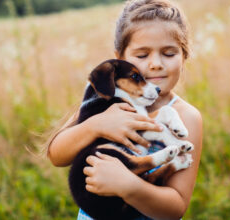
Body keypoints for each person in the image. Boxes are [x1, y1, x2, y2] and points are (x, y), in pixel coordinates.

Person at [46, 0, 203, 219]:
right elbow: (56, 155)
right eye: (141, 55)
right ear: (119, 59)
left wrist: (128, 186)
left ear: (184, 56)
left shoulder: (187, 117)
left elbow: (176, 207)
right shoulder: (105, 103)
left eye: (169, 53)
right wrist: (94, 126)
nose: (156, 64)